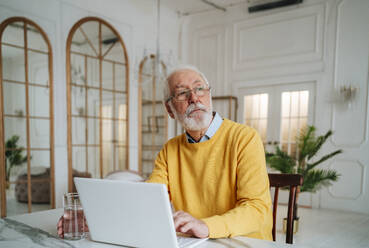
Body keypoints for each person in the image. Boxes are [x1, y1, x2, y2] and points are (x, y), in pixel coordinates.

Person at [58, 65, 272, 240]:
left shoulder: (245, 138)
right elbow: (147, 201)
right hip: (194, 243)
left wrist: (205, 225)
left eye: (199, 89)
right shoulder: (170, 150)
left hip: (243, 242)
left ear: (209, 95)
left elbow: (257, 209)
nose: (194, 98)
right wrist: (95, 217)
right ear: (170, 109)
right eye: (182, 93)